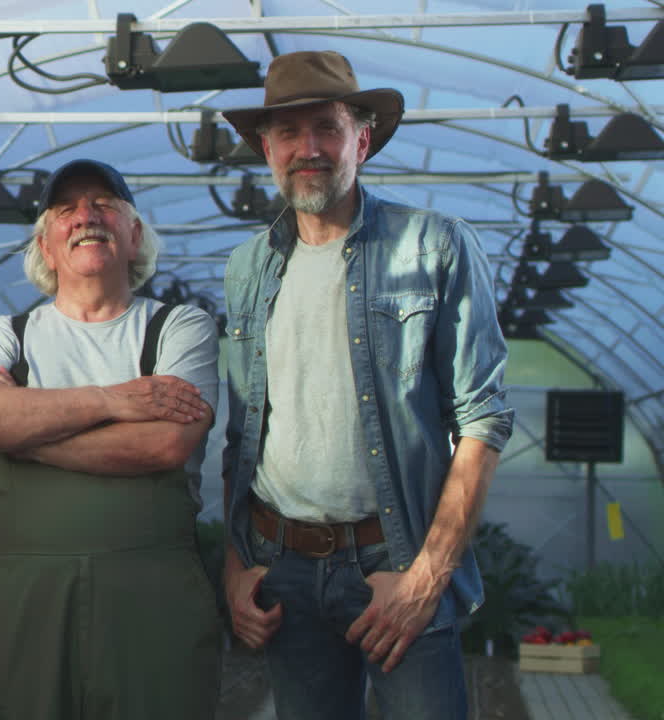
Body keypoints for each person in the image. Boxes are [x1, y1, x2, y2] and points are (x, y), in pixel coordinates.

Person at [217, 50, 514, 720]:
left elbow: (483, 420)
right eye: (289, 133)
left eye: (326, 127)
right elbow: (243, 434)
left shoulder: (433, 246)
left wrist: (426, 577)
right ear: (267, 148)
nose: (308, 148)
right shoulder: (247, 267)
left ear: (363, 138)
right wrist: (236, 568)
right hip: (283, 566)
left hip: (397, 558)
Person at [0, 159, 222, 720]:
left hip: (152, 595)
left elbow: (163, 448)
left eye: (104, 203)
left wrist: (24, 436)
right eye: (66, 209)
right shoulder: (4, 335)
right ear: (46, 246)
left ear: (134, 234)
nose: (86, 216)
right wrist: (111, 401)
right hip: (26, 596)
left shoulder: (178, 328)